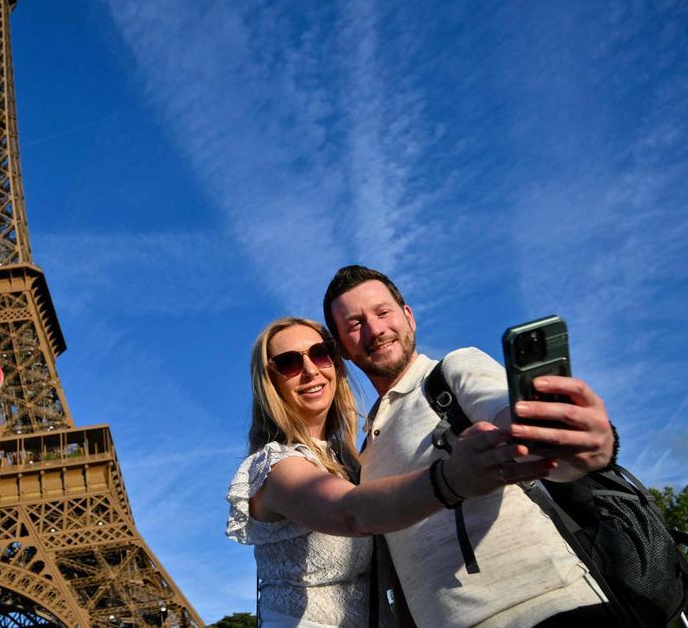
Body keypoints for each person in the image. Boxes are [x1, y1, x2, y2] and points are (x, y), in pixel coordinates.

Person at [322, 265, 616, 627]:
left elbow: (525, 432)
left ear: (408, 317)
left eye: (383, 312)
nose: (376, 330)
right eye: (355, 324)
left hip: (549, 608)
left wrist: (577, 445)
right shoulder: (364, 449)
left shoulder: (453, 370)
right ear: (343, 350)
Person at [227, 317, 556, 627]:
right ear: (269, 382)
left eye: (320, 354)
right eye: (288, 363)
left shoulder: (356, 464)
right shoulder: (272, 466)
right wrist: (452, 478)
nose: (310, 370)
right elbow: (349, 512)